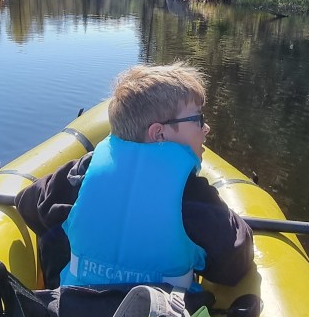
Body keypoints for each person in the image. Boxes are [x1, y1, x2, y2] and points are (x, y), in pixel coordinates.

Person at [16, 62, 254, 289]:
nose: (206, 128)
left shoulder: (83, 173)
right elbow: (234, 263)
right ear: (159, 133)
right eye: (198, 119)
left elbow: (28, 204)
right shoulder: (192, 195)